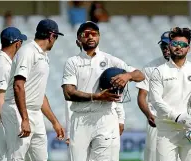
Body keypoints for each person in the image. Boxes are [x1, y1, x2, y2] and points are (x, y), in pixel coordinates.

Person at [61, 21, 144, 161]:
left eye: (94, 34)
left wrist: (127, 75)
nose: (91, 37)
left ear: (99, 37)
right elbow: (68, 93)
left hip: (105, 117)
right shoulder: (72, 62)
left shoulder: (110, 60)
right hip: (81, 118)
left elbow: (140, 75)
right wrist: (97, 96)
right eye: (86, 34)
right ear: (79, 39)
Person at [1, 19, 65, 161]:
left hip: (34, 112)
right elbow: (18, 85)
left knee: (41, 158)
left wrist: (54, 122)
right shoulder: (28, 51)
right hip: (18, 110)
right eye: (56, 37)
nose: (55, 40)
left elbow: (39, 95)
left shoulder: (43, 56)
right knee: (16, 157)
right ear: (51, 36)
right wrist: (24, 119)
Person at [149, 27, 191, 161]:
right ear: (169, 46)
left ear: (188, 48)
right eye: (175, 44)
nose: (179, 47)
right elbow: (156, 100)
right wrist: (177, 117)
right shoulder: (159, 71)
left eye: (183, 45)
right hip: (167, 130)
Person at [0, 27, 27, 161]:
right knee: (4, 158)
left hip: (4, 117)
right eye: (21, 43)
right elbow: (0, 100)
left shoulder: (5, 62)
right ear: (17, 44)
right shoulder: (2, 64)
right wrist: (9, 125)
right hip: (0, 119)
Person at [136, 31, 173, 161]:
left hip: (179, 120)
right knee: (153, 156)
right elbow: (142, 96)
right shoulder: (149, 67)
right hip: (156, 119)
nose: (165, 48)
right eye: (163, 45)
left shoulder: (188, 68)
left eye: (168, 45)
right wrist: (148, 115)